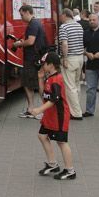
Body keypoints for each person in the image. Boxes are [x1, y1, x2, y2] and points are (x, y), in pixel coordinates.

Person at [29, 52, 76, 180]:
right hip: (50, 115)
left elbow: (54, 99)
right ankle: (53, 164)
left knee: (62, 142)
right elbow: (43, 94)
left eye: (44, 64)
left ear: (51, 65)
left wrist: (39, 110)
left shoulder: (57, 79)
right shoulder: (49, 77)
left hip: (59, 116)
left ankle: (70, 170)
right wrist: (40, 78)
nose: (42, 66)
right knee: (42, 136)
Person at [13, 5, 48, 118]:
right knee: (34, 83)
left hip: (32, 58)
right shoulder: (37, 23)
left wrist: (19, 44)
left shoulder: (33, 24)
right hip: (36, 58)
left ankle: (38, 110)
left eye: (22, 14)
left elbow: (31, 42)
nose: (21, 17)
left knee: (31, 84)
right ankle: (32, 109)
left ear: (28, 12)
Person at [58, 8, 84, 119]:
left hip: (70, 58)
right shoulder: (79, 25)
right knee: (77, 85)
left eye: (60, 16)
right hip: (80, 57)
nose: (59, 18)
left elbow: (64, 44)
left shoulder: (63, 27)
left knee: (69, 87)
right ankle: (77, 108)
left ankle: (75, 113)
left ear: (64, 15)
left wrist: (65, 58)